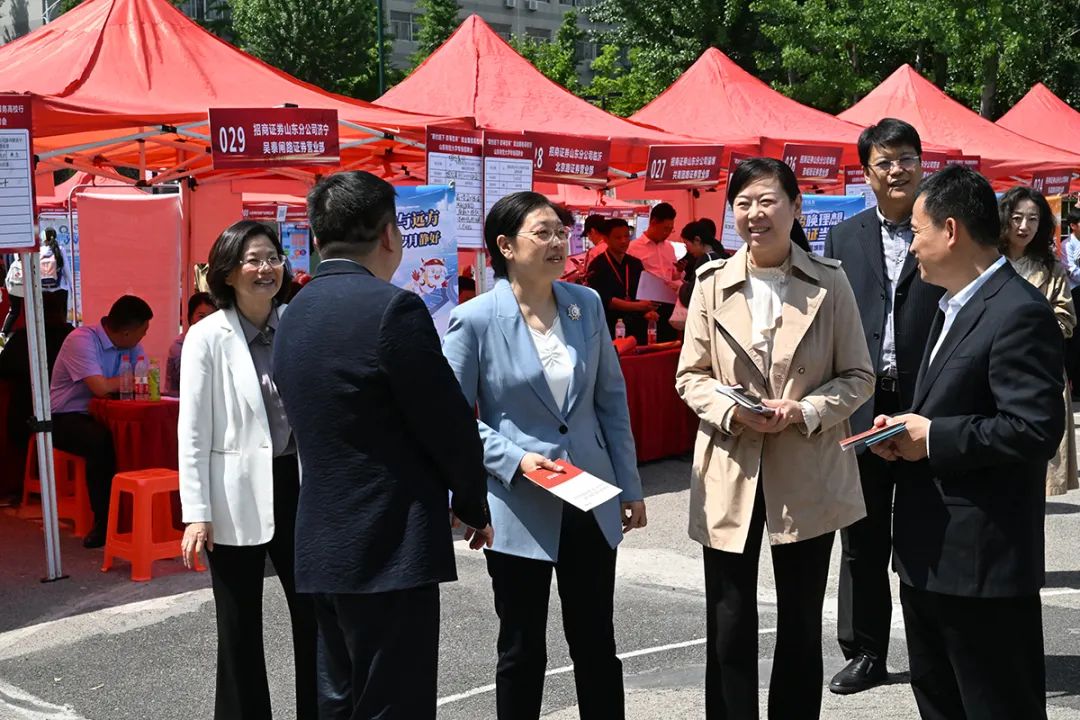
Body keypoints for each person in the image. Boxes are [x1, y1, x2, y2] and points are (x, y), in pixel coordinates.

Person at [272, 171, 492, 720]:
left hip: (321, 539)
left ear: (317, 237)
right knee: (393, 702)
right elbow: (448, 422)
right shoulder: (394, 308)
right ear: (390, 234)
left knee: (339, 699)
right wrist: (472, 502)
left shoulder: (293, 313)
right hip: (389, 542)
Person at [676, 158, 873, 720]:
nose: (754, 214)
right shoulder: (710, 283)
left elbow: (858, 375)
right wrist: (733, 411)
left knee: (802, 620)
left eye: (767, 201)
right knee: (729, 617)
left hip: (808, 462)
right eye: (743, 203)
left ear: (795, 207)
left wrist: (805, 409)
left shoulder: (829, 281)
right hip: (730, 462)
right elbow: (691, 376)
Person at [442, 190, 645, 720]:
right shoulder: (474, 319)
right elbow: (452, 418)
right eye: (543, 232)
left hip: (590, 496)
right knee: (521, 648)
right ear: (506, 246)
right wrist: (514, 459)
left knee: (596, 642)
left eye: (562, 232)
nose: (558, 242)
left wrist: (630, 486)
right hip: (519, 504)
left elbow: (610, 401)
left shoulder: (586, 304)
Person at [870, 165, 1063, 720]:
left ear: (951, 230)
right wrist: (907, 429)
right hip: (929, 556)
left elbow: (1034, 429)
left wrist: (933, 437)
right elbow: (953, 405)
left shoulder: (1019, 311)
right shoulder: (949, 304)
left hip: (982, 568)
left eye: (917, 232)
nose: (912, 247)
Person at [822, 118, 945, 694]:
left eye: (906, 159)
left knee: (930, 529)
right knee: (862, 537)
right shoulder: (844, 237)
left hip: (929, 400)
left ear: (922, 164)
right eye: (885, 162)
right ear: (867, 174)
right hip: (864, 400)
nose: (897, 170)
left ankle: (935, 650)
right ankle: (866, 650)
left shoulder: (946, 227)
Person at [176, 221, 315, 720]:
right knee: (238, 624)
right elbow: (193, 430)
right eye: (253, 260)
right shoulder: (206, 336)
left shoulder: (299, 324)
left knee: (315, 615)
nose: (265, 268)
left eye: (273, 257)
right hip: (232, 493)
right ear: (228, 272)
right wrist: (196, 512)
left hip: (298, 485)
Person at [49, 294, 151, 547]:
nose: (144, 337)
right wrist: (129, 381)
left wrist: (127, 382)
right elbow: (100, 388)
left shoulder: (132, 346)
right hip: (66, 416)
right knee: (101, 442)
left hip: (106, 414)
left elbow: (145, 381)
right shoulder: (82, 340)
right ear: (126, 332)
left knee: (140, 434)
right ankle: (104, 522)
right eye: (143, 331)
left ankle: (139, 514)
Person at [999, 186, 1077, 497]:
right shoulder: (987, 261)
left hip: (1039, 368)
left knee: (1038, 460)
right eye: (1017, 217)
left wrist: (1033, 333)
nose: (1024, 226)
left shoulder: (1051, 267)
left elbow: (1066, 319)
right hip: (994, 366)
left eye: (1033, 219)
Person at [0, 290, 74, 498]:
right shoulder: (70, 335)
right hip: (65, 411)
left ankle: (21, 485)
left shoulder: (23, 337)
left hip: (26, 411)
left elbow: (4, 369)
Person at [587, 218, 658, 343]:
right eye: (618, 237)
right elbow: (607, 301)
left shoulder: (635, 263)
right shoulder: (597, 265)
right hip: (610, 326)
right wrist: (638, 306)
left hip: (637, 326)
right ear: (606, 239)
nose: (624, 241)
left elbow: (643, 294)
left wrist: (649, 311)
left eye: (626, 236)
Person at [628, 202, 680, 341]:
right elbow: (631, 282)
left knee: (669, 344)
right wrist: (643, 308)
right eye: (665, 229)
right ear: (653, 222)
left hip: (669, 304)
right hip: (646, 306)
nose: (667, 233)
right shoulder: (633, 248)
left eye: (670, 229)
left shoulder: (669, 247)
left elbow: (673, 275)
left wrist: (679, 272)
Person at [2, 230, 69, 339]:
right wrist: (70, 285)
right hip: (57, 287)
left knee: (21, 311)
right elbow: (66, 268)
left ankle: (5, 333)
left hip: (34, 287)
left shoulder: (35, 250)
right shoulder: (59, 249)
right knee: (59, 314)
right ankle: (60, 336)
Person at [164, 292, 216, 397]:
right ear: (190, 318)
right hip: (179, 402)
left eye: (211, 317)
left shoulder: (217, 343)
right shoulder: (179, 346)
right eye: (201, 316)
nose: (206, 321)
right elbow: (192, 378)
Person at [1062, 207, 1080, 400]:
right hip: (1075, 294)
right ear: (1073, 226)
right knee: (1074, 342)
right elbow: (1071, 270)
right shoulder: (1067, 245)